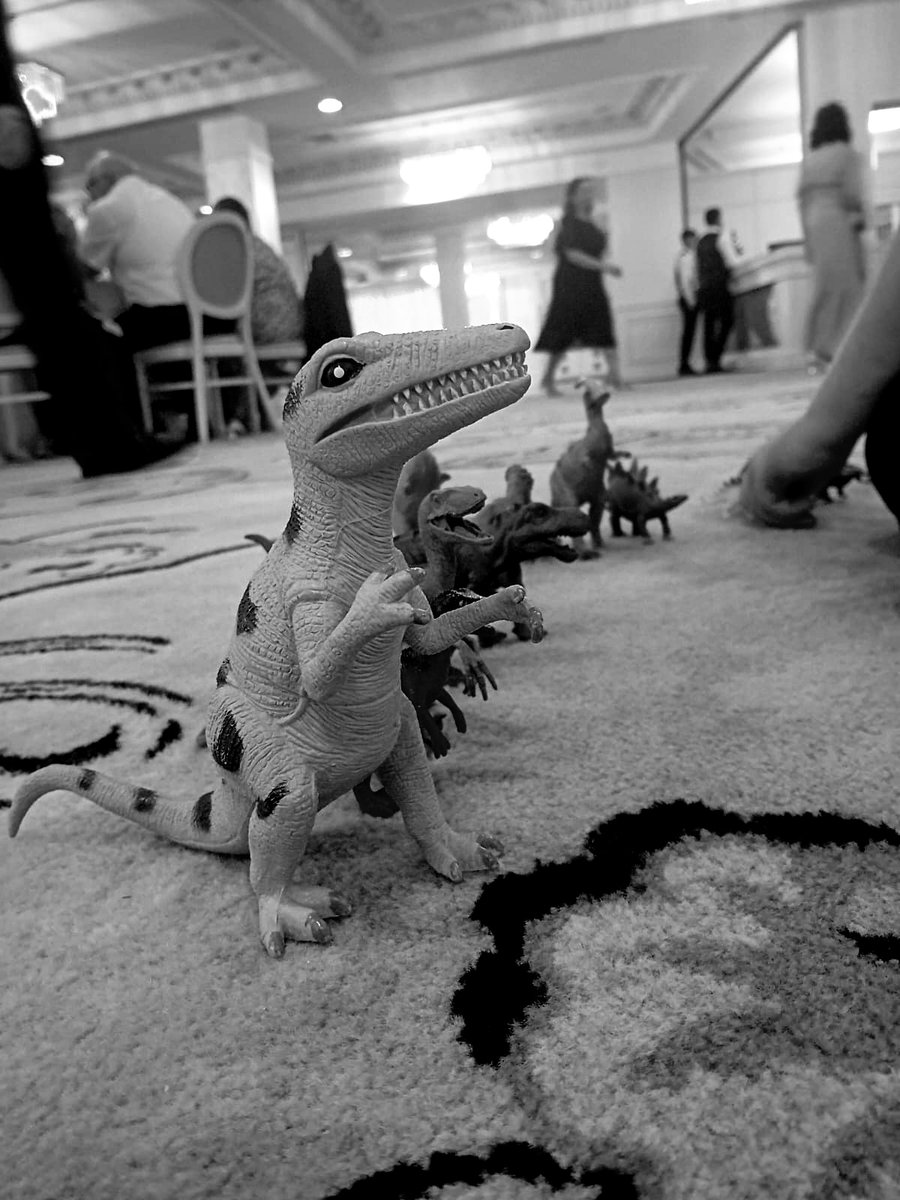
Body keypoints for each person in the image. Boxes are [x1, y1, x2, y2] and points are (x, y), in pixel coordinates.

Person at [0, 3, 187, 479]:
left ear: (101, 183)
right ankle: (111, 437)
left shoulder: (110, 207)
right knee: (63, 306)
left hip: (161, 313)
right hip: (203, 315)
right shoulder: (164, 198)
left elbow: (86, 264)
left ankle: (105, 436)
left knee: (98, 328)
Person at [79, 152, 229, 353]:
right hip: (210, 316)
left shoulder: (108, 208)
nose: (89, 195)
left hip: (165, 320)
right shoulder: (171, 201)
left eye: (90, 187)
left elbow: (84, 269)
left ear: (106, 180)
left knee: (91, 336)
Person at [535, 177, 626, 395]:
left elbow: (601, 247)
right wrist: (605, 267)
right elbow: (572, 254)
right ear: (573, 196)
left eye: (590, 191)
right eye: (584, 191)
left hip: (592, 283)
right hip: (570, 283)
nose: (589, 194)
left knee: (603, 325)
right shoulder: (567, 224)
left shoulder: (596, 222)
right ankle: (548, 379)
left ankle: (616, 377)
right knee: (564, 329)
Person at [796, 101, 867, 373]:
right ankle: (843, 349)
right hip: (837, 219)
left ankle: (815, 348)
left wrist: (808, 243)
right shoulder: (847, 155)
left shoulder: (810, 161)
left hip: (814, 221)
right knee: (849, 287)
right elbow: (852, 197)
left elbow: (801, 203)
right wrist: (860, 230)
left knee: (823, 288)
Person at [211, 197, 304, 346]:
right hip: (290, 323)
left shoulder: (236, 246)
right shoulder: (257, 245)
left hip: (268, 325)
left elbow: (222, 297)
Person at [696, 206, 742, 374]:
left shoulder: (700, 241)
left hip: (704, 287)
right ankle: (716, 357)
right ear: (718, 219)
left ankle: (710, 361)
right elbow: (732, 262)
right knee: (727, 320)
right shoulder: (722, 237)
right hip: (720, 285)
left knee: (708, 325)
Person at [674, 228, 698, 376]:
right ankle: (684, 365)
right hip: (689, 298)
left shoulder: (681, 256)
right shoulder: (686, 257)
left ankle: (685, 364)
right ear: (687, 240)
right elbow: (685, 281)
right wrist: (691, 300)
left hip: (686, 298)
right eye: (693, 239)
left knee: (688, 333)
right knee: (688, 333)